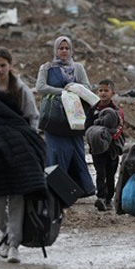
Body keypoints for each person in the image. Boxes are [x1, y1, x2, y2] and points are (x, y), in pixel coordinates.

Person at [0, 89, 48, 264]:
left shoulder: (12, 124)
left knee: (16, 207)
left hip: (18, 175)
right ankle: (4, 235)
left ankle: (13, 245)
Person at [36, 36, 95, 196]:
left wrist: (75, 87)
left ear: (71, 50)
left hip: (74, 118)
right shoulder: (47, 67)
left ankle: (81, 189)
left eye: (66, 48)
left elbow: (87, 86)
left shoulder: (78, 68)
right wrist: (62, 92)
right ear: (55, 50)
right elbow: (40, 87)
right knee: (56, 152)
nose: (64, 51)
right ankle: (57, 189)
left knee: (76, 151)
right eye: (60, 48)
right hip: (54, 118)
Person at [85, 79, 125, 211]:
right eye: (101, 90)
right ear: (97, 92)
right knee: (100, 172)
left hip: (112, 148)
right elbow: (88, 128)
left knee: (110, 173)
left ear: (112, 93)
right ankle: (101, 197)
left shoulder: (117, 111)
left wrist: (108, 136)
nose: (103, 93)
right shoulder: (93, 110)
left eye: (106, 90)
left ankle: (109, 198)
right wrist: (95, 137)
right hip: (97, 148)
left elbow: (119, 128)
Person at [0, 47, 39, 129]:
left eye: (3, 65)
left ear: (10, 65)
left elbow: (32, 116)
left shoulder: (21, 89)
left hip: (17, 135)